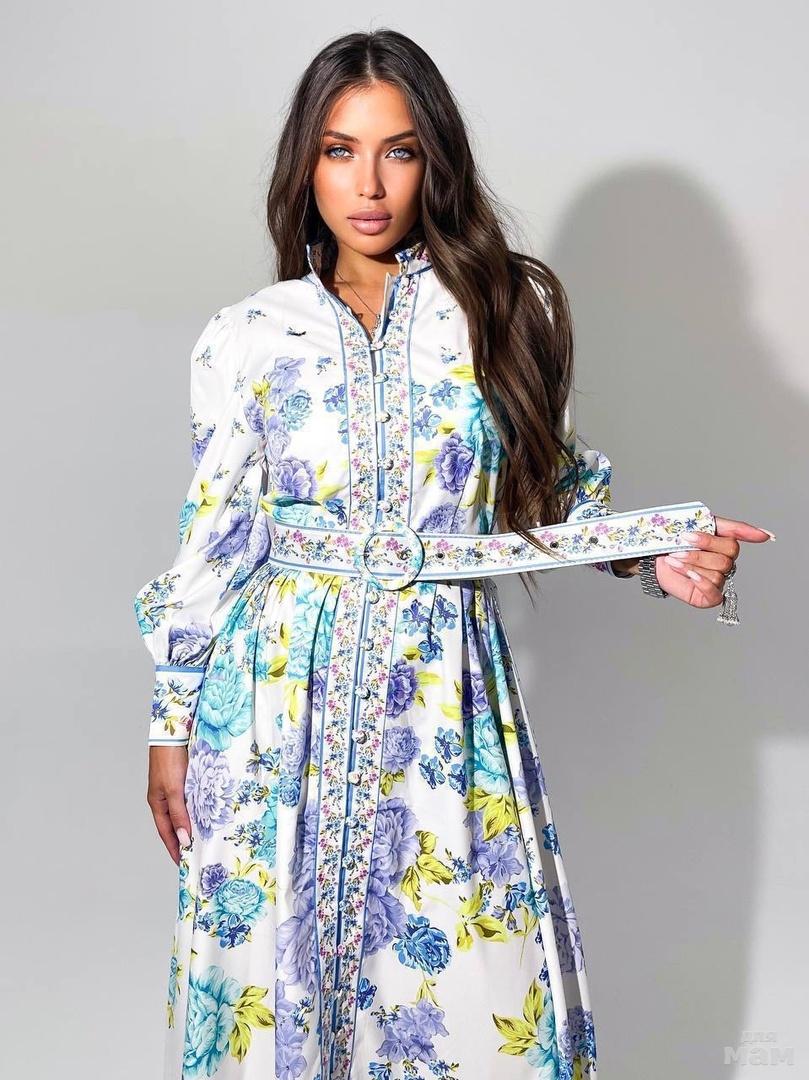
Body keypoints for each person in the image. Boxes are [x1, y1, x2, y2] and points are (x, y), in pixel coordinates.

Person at [133, 28, 773, 1080]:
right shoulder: (246, 335)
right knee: (270, 998)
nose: (368, 185)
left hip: (441, 692)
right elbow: (214, 538)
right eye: (339, 151)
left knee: (466, 996)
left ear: (434, 159)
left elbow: (546, 492)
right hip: (267, 709)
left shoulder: (507, 308)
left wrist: (652, 552)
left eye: (398, 150)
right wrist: (170, 726)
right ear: (305, 165)